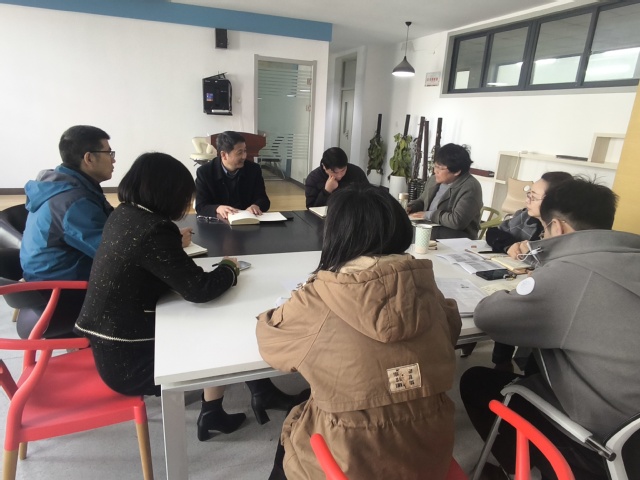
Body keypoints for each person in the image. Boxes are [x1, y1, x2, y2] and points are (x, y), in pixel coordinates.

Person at [74, 152, 295, 441]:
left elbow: (146, 258)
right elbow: (200, 289)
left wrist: (172, 245)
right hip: (130, 359)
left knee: (214, 316)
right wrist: (229, 267)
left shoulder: (125, 214)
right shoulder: (154, 230)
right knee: (221, 326)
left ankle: (240, 399)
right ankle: (235, 402)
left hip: (109, 342)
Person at [257, 184, 462, 479]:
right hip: (429, 457)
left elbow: (271, 346)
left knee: (294, 427)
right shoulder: (425, 289)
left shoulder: (317, 298)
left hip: (351, 462)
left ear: (335, 235)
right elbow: (452, 331)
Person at [461, 178, 640, 480]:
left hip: (606, 447)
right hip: (631, 427)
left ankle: (516, 470)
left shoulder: (570, 275)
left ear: (557, 227)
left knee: (476, 381)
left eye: (543, 230)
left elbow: (489, 318)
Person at [18, 125, 116, 338]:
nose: (113, 160)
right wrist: (163, 244)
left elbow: (111, 228)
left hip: (45, 287)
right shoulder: (73, 202)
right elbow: (113, 253)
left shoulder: (64, 186)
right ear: (89, 158)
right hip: (62, 297)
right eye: (109, 153)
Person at [485, 171, 572, 371]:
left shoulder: (562, 235)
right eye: (528, 194)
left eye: (533, 196)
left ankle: (521, 370)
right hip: (518, 281)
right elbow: (494, 232)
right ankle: (502, 363)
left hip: (542, 300)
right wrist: (509, 245)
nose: (527, 200)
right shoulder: (525, 217)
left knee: (509, 308)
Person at [407, 143, 482, 240]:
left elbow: (457, 221)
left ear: (457, 171)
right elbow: (422, 201)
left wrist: (428, 215)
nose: (435, 171)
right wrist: (411, 207)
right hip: (429, 231)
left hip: (456, 239)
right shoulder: (434, 180)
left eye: (440, 168)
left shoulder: (470, 187)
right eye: (435, 166)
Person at [195, 131, 270, 220]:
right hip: (219, 222)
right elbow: (200, 206)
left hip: (247, 221)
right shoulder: (205, 172)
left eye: (245, 151)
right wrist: (217, 208)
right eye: (239, 152)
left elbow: (263, 199)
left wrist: (256, 205)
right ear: (224, 155)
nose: (244, 156)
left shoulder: (253, 169)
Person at [304, 147, 368, 208]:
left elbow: (368, 196)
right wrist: (326, 191)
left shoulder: (356, 172)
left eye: (343, 170)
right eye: (334, 172)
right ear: (324, 166)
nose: (340, 175)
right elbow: (311, 208)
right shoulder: (313, 178)